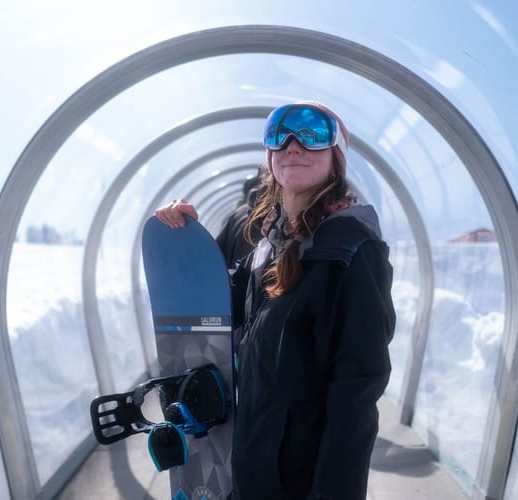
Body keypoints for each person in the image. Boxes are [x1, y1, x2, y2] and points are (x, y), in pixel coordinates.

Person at [155, 101, 395, 500]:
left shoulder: (351, 248)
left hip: (301, 476)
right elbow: (218, 305)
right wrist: (184, 239)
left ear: (336, 158)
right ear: (269, 157)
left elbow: (357, 391)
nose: (293, 146)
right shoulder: (269, 248)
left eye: (313, 135)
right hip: (252, 459)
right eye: (279, 135)